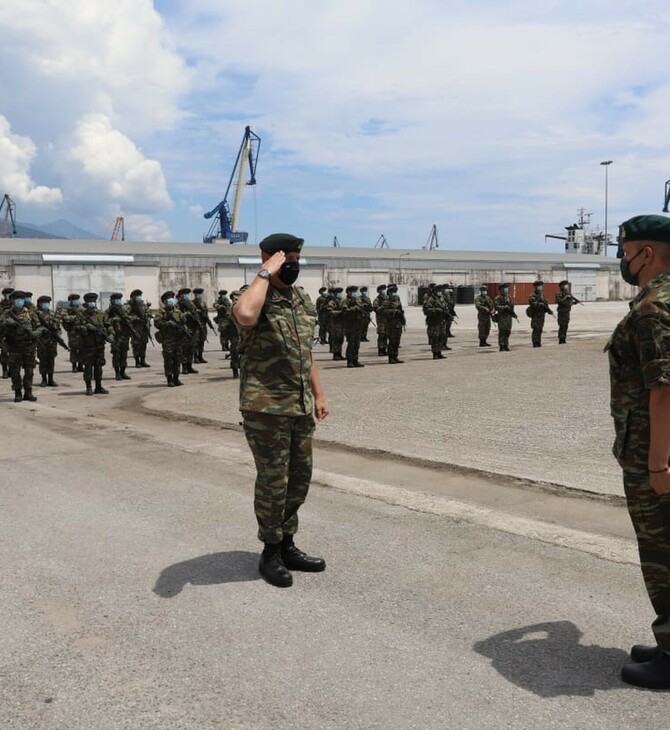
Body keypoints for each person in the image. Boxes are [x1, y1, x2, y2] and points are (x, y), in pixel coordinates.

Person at [232, 232, 329, 588]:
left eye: (297, 259)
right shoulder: (251, 295)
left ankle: (287, 544)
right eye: (286, 259)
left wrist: (318, 395)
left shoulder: (300, 299)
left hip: (300, 406)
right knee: (275, 482)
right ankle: (270, 551)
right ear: (268, 259)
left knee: (299, 480)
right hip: (266, 408)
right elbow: (244, 315)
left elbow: (306, 353)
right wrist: (263, 274)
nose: (293, 266)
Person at [607, 214, 670, 689]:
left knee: (662, 551)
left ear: (646, 254)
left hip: (655, 448)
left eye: (627, 252)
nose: (624, 261)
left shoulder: (654, 306)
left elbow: (663, 389)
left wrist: (658, 464)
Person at [0, 290, 41, 402]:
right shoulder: (7, 315)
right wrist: (7, 324)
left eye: (21, 299)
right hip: (14, 347)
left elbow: (39, 326)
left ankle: (28, 392)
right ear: (13, 301)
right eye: (17, 299)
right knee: (15, 372)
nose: (20, 301)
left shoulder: (31, 313)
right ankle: (18, 393)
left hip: (29, 347)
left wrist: (37, 332)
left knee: (29, 371)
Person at [75, 292, 114, 395]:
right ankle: (88, 387)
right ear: (86, 303)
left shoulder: (100, 314)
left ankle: (98, 387)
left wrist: (111, 333)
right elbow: (76, 328)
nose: (92, 303)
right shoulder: (81, 315)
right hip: (87, 345)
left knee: (99, 367)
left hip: (99, 344)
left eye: (93, 301)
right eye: (89, 301)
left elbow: (108, 324)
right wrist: (86, 328)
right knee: (88, 368)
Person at [153, 290, 186, 387]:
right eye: (169, 299)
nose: (171, 300)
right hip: (168, 339)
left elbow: (183, 323)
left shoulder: (177, 311)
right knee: (168, 360)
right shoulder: (161, 312)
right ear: (164, 301)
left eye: (172, 298)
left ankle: (176, 378)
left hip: (178, 338)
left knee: (177, 359)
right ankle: (169, 379)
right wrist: (167, 323)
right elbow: (157, 324)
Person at [35, 295, 63, 387]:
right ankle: (43, 379)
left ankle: (50, 379)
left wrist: (58, 334)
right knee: (43, 360)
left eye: (47, 303)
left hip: (52, 341)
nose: (46, 305)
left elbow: (58, 327)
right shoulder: (36, 314)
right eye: (44, 303)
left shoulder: (53, 314)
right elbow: (35, 327)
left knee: (51, 360)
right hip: (42, 340)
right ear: (40, 304)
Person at [106, 292, 133, 381]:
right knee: (116, 355)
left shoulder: (124, 309)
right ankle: (117, 373)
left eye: (119, 299)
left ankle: (123, 372)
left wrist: (128, 319)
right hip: (116, 336)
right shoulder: (109, 311)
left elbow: (130, 317)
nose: (119, 301)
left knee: (124, 355)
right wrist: (114, 319)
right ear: (112, 301)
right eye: (117, 299)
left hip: (124, 335)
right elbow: (106, 322)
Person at [176, 288, 200, 374]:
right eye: (185, 294)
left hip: (193, 328)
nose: (186, 295)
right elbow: (177, 316)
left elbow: (195, 314)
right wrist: (186, 314)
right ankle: (184, 367)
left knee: (192, 347)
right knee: (184, 348)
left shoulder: (191, 303)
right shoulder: (178, 305)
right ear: (181, 295)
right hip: (185, 329)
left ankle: (190, 366)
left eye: (187, 294)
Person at [341, 285, 365, 367]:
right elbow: (344, 311)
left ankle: (355, 360)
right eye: (352, 292)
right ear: (348, 292)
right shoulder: (345, 301)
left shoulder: (358, 300)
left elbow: (362, 308)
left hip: (358, 324)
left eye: (355, 291)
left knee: (357, 344)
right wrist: (354, 308)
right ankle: (349, 361)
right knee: (351, 344)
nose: (354, 293)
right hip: (350, 325)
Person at [381, 284, 405, 364]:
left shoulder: (397, 300)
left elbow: (401, 310)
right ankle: (391, 357)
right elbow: (383, 311)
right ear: (389, 293)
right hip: (390, 324)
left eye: (395, 291)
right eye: (392, 292)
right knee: (392, 341)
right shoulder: (386, 302)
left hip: (398, 324)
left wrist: (402, 319)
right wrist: (393, 311)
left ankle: (395, 356)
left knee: (397, 341)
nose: (394, 293)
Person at [127, 289, 152, 367]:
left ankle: (143, 360)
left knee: (144, 343)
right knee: (136, 344)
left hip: (144, 327)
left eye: (140, 295)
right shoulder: (130, 305)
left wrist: (147, 315)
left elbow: (147, 312)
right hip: (136, 327)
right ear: (133, 296)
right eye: (137, 295)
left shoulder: (142, 304)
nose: (139, 297)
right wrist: (135, 318)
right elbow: (126, 315)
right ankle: (137, 361)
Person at [60, 293, 84, 372]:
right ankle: (74, 366)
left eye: (77, 300)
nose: (76, 301)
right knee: (73, 349)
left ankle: (80, 365)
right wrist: (74, 317)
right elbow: (64, 318)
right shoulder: (66, 309)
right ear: (70, 301)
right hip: (72, 331)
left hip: (81, 331)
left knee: (81, 348)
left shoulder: (81, 308)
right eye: (74, 300)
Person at [527, 280, 553, 348]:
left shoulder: (543, 295)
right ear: (535, 287)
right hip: (535, 315)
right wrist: (539, 304)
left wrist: (548, 310)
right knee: (535, 329)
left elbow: (545, 305)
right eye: (538, 286)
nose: (540, 287)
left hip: (541, 315)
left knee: (540, 329)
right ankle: (535, 342)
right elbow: (532, 303)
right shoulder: (532, 295)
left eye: (541, 286)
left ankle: (538, 341)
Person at [423, 284, 446, 359]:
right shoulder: (430, 299)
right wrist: (436, 310)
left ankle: (439, 352)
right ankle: (435, 353)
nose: (439, 292)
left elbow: (445, 307)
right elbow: (426, 310)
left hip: (441, 321)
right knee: (435, 337)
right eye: (438, 291)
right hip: (434, 321)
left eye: (440, 291)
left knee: (441, 336)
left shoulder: (441, 298)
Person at [493, 283, 516, 352]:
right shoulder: (498, 298)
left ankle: (506, 345)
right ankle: (501, 345)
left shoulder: (509, 297)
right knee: (502, 332)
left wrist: (513, 313)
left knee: (508, 332)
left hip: (509, 318)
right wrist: (504, 307)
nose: (506, 289)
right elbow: (496, 307)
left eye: (507, 288)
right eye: (504, 288)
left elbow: (511, 307)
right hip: (502, 317)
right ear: (501, 290)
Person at [327, 287, 345, 361]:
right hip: (335, 323)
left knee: (341, 339)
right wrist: (340, 312)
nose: (340, 294)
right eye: (338, 293)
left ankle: (339, 353)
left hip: (342, 323)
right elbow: (330, 312)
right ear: (335, 294)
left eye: (340, 293)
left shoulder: (342, 301)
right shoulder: (331, 302)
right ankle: (335, 354)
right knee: (335, 339)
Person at [0, 286, 14, 379]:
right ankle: (4, 370)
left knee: (14, 353)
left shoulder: (16, 307)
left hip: (14, 333)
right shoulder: (0, 306)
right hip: (3, 333)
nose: (8, 296)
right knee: (4, 352)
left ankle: (11, 370)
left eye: (10, 295)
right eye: (7, 294)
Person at [372, 284, 389, 356]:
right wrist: (383, 307)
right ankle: (380, 349)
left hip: (388, 320)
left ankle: (385, 348)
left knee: (386, 335)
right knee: (381, 335)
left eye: (384, 289)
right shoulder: (377, 300)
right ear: (378, 291)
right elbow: (376, 309)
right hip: (381, 320)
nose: (383, 291)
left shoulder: (388, 298)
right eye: (382, 290)